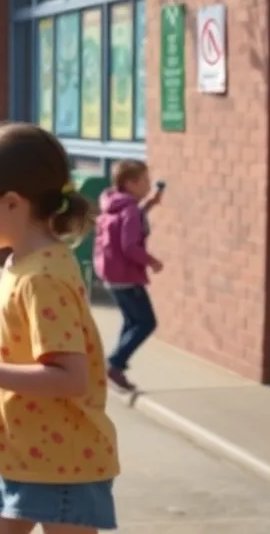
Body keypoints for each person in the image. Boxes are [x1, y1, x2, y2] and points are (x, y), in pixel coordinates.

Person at [0, 122, 119, 533]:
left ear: (13, 203)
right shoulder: (25, 262)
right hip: (24, 458)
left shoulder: (42, 277)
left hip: (64, 466)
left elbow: (71, 377)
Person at [94, 159, 164, 393]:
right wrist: (152, 261)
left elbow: (126, 221)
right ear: (131, 183)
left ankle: (116, 367)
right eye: (145, 180)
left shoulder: (113, 203)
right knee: (146, 322)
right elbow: (129, 245)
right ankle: (114, 365)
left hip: (111, 274)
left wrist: (149, 205)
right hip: (126, 276)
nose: (148, 184)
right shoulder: (130, 209)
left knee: (132, 321)